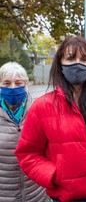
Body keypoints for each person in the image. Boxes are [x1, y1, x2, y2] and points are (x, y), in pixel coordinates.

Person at [15, 36, 86, 202]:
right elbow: (27, 154)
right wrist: (54, 176)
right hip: (66, 198)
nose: (78, 63)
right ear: (60, 64)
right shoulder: (42, 107)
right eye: (70, 58)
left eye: (84, 59)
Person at [0, 62, 48, 201]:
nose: (13, 88)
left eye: (18, 82)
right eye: (7, 83)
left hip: (35, 194)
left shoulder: (39, 109)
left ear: (26, 84)